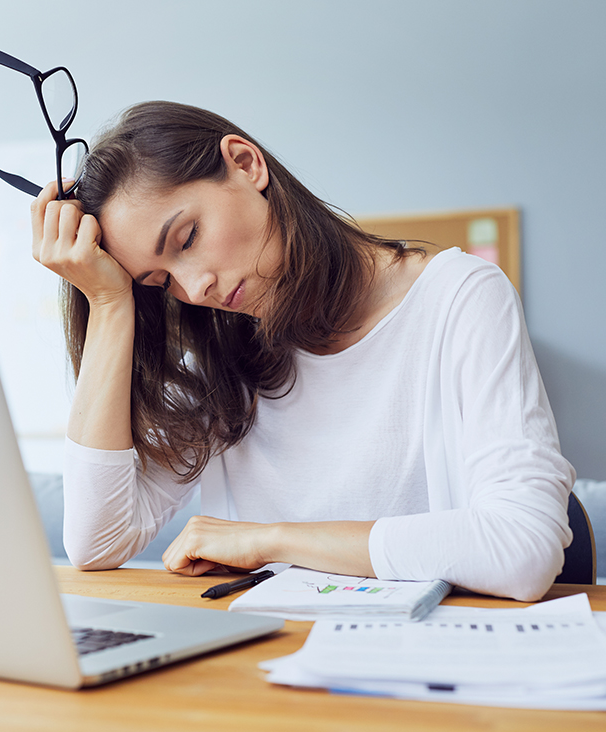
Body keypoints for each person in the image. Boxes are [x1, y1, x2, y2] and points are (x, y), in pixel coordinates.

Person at [29, 101, 575, 602]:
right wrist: (108, 303)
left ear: (245, 164)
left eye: (188, 237)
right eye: (158, 280)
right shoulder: (221, 351)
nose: (195, 289)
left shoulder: (460, 296)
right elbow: (97, 543)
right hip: (265, 670)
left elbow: (523, 548)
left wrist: (268, 541)